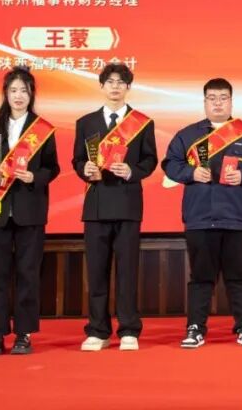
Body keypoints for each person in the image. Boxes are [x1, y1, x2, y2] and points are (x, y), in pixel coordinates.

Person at [162, 78, 242, 348]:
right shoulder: (187, 135)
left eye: (223, 98)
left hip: (238, 218)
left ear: (231, 101)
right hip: (200, 218)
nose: (218, 103)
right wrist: (191, 173)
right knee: (200, 277)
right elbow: (170, 163)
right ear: (204, 102)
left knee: (240, 276)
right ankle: (195, 328)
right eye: (212, 98)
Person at [72, 62, 157, 351]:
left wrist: (132, 171)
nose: (115, 87)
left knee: (127, 271)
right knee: (96, 272)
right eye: (110, 82)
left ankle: (129, 329)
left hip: (128, 204)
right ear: (101, 86)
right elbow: (77, 160)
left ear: (128, 87)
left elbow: (150, 160)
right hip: (96, 206)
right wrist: (84, 169)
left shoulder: (142, 123)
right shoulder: (86, 123)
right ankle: (97, 330)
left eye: (121, 82)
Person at [0, 68, 60, 355]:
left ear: (31, 94)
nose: (19, 96)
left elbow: (52, 168)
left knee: (27, 274)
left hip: (30, 211)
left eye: (24, 90)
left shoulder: (43, 131)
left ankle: (24, 334)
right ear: (6, 94)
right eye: (13, 90)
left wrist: (34, 177)